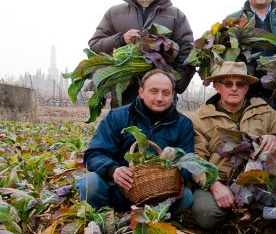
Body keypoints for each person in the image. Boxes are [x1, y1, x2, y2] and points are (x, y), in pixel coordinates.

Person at [77, 69, 194, 214]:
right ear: (141, 92)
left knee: (186, 197)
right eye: (153, 91)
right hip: (119, 189)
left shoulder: (183, 124)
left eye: (166, 93)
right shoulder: (117, 117)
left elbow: (188, 162)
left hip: (160, 194)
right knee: (90, 183)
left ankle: (154, 222)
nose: (159, 98)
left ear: (172, 95)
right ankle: (106, 218)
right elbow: (94, 153)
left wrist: (178, 179)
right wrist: (113, 170)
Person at [189, 61, 276, 230]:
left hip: (257, 179)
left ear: (246, 88)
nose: (234, 88)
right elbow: (196, 160)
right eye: (228, 84)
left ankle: (249, 214)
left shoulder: (266, 111)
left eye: (240, 84)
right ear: (218, 87)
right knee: (207, 214)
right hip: (219, 179)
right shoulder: (200, 117)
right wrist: (214, 185)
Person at [89, 0, 195, 105]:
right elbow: (95, 44)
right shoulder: (114, 13)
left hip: (161, 94)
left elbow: (188, 50)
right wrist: (121, 39)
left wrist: (175, 83)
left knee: (161, 127)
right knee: (126, 126)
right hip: (124, 92)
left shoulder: (176, 15)